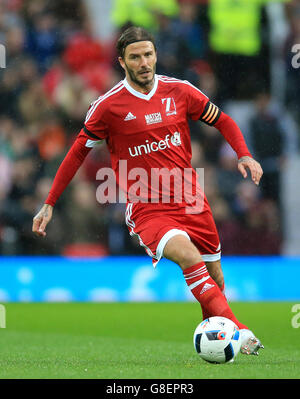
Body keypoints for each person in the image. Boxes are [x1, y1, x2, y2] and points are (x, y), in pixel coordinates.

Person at [32, 27, 264, 356]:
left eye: (148, 54)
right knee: (189, 257)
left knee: (215, 280)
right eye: (135, 57)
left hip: (191, 199)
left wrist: (243, 153)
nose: (144, 62)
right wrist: (49, 203)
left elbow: (223, 120)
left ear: (156, 54)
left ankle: (213, 343)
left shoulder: (180, 91)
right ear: (122, 62)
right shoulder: (108, 106)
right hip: (147, 206)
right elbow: (76, 153)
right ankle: (240, 334)